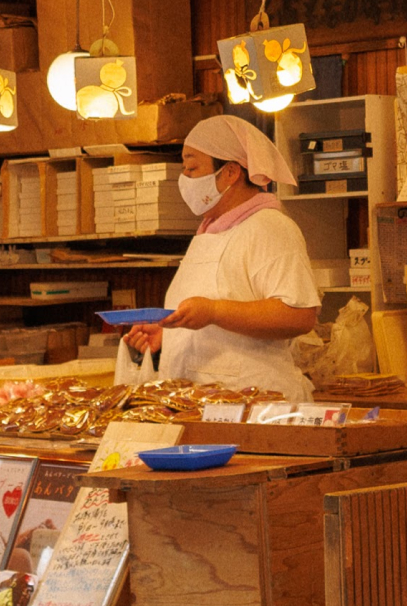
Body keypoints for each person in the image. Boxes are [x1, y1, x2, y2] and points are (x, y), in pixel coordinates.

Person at [121, 115, 321, 399]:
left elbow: (299, 315)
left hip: (257, 404)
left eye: (192, 167)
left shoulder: (270, 227)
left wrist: (214, 312)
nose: (185, 178)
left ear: (230, 172)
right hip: (200, 403)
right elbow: (220, 312)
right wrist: (173, 335)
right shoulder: (208, 233)